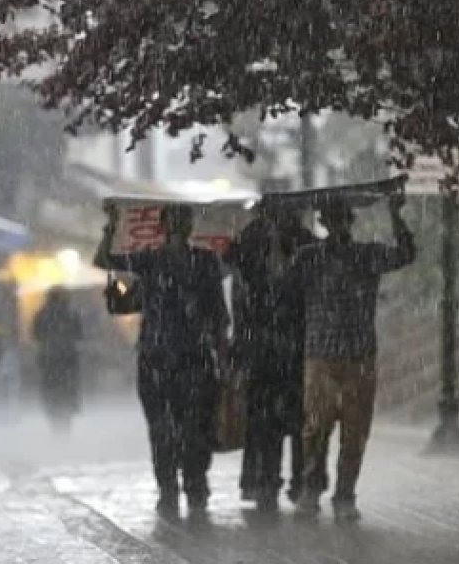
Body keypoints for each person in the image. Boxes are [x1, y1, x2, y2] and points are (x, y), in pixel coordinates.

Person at [95, 204, 229, 521]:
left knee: (195, 428)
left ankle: (195, 486)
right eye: (175, 220)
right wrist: (111, 226)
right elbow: (104, 261)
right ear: (165, 225)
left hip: (194, 359)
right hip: (157, 359)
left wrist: (222, 358)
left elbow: (218, 317)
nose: (180, 226)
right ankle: (169, 489)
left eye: (184, 220)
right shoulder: (150, 260)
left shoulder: (205, 262)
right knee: (162, 430)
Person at [287, 193, 415, 522]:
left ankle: (345, 494)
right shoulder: (308, 257)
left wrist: (396, 215)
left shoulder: (366, 255)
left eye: (342, 218)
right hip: (321, 355)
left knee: (354, 432)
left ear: (349, 221)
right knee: (315, 430)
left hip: (358, 356)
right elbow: (283, 285)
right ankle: (311, 489)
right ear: (325, 222)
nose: (337, 225)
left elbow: (405, 254)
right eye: (331, 218)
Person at [226, 203, 319, 512]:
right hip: (266, 347)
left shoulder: (303, 241)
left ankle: (297, 481)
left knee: (296, 419)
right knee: (267, 420)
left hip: (291, 345)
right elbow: (237, 274)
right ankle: (268, 481)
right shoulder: (253, 241)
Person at [32, 286, 83, 434]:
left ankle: (54, 423)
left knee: (51, 392)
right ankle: (65, 424)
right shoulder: (71, 314)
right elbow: (79, 334)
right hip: (67, 360)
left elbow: (36, 334)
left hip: (49, 360)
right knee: (67, 393)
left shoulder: (41, 314)